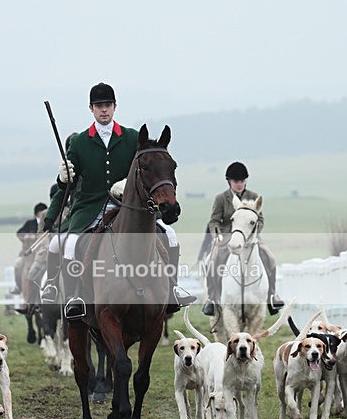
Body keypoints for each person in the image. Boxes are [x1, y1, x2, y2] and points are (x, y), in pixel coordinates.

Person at [41, 82, 195, 319]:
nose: (104, 110)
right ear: (91, 108)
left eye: (108, 105)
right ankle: (72, 296)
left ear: (115, 107)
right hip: (89, 208)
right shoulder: (80, 142)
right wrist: (62, 180)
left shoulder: (132, 138)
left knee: (170, 236)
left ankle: (172, 287)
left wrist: (125, 184)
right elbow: (68, 184)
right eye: (99, 106)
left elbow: (145, 169)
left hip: (126, 204)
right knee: (69, 243)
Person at [201, 161, 284, 316]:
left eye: (242, 181)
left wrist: (253, 232)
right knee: (211, 261)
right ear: (229, 182)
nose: (239, 184)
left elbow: (260, 220)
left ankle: (272, 295)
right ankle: (212, 299)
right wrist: (216, 235)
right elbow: (213, 221)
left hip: (250, 238)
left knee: (270, 258)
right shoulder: (221, 199)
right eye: (235, 181)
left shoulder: (253, 197)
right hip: (227, 237)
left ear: (245, 181)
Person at [12, 202, 48, 295]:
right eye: (41, 213)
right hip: (28, 253)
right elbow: (19, 233)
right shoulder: (30, 223)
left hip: (42, 252)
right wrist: (26, 237)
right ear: (37, 214)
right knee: (18, 264)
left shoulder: (47, 223)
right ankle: (18, 286)